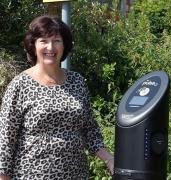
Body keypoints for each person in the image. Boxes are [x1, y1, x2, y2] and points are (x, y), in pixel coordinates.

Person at [0, 15, 114, 180]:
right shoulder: (20, 85)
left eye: (56, 41)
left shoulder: (77, 81)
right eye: (43, 41)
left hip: (75, 175)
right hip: (31, 175)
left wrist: (109, 159)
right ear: (33, 45)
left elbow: (90, 131)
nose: (50, 47)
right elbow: (5, 140)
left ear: (64, 45)